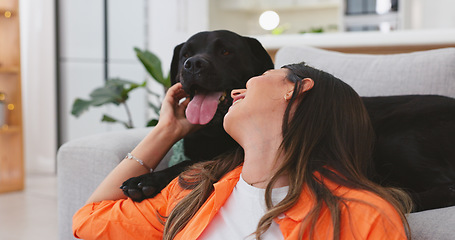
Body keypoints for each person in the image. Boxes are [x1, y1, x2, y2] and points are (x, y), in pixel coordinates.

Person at [73, 62, 412, 240]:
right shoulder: (195, 189)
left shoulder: (363, 216)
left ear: (297, 89)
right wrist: (166, 131)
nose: (235, 91)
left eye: (264, 75)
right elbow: (89, 221)